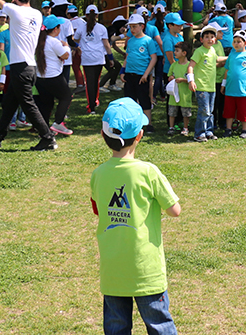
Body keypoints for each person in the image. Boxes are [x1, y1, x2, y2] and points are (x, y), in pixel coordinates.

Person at [90, 97, 181, 335]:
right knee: (159, 325)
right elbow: (175, 210)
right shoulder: (148, 172)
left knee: (116, 327)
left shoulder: (98, 174)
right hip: (145, 269)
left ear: (103, 135)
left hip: (113, 269)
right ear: (140, 135)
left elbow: (98, 209)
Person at [0, 0, 57, 151]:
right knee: (9, 104)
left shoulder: (15, 10)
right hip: (28, 66)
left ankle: (48, 138)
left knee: (28, 104)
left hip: (20, 67)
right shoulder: (37, 13)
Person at [34, 15, 74, 137]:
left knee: (46, 103)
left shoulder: (39, 41)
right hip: (53, 76)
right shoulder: (54, 42)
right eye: (59, 27)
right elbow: (65, 55)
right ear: (55, 29)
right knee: (66, 96)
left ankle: (43, 129)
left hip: (40, 77)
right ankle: (58, 122)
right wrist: (66, 46)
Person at [188, 23, 226, 142]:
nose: (210, 39)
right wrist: (191, 80)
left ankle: (209, 132)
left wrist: (230, 57)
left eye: (212, 37)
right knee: (204, 110)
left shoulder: (212, 50)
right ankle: (199, 134)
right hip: (201, 86)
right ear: (201, 39)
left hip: (211, 87)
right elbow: (190, 66)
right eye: (207, 37)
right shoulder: (199, 51)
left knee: (210, 111)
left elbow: (218, 59)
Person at [123, 14, 159, 129]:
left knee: (144, 100)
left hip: (142, 76)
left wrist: (146, 74)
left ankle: (148, 124)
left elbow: (153, 58)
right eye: (130, 27)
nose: (132, 29)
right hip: (129, 74)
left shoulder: (148, 41)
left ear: (142, 26)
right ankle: (132, 124)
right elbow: (127, 56)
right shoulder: (130, 41)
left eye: (134, 26)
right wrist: (123, 71)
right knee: (130, 100)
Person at [75, 5, 112, 114]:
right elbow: (106, 45)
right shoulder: (102, 28)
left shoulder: (81, 28)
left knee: (89, 82)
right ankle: (94, 101)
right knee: (95, 81)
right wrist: (110, 58)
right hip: (98, 58)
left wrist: (78, 48)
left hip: (87, 58)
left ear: (85, 15)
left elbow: (75, 40)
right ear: (97, 15)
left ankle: (91, 106)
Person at [223, 30, 246, 138]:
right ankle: (228, 129)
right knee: (229, 110)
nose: (236, 44)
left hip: (243, 90)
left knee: (243, 110)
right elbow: (227, 70)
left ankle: (244, 130)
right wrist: (223, 85)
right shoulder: (231, 55)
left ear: (245, 43)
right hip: (230, 89)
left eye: (239, 41)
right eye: (234, 41)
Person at [166, 41, 194, 136]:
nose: (174, 52)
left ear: (184, 53)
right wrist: (171, 78)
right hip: (174, 94)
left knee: (186, 112)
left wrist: (183, 80)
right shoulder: (174, 65)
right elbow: (169, 76)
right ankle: (171, 127)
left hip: (185, 94)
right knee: (172, 112)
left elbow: (192, 80)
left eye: (177, 51)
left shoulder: (189, 66)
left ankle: (185, 128)